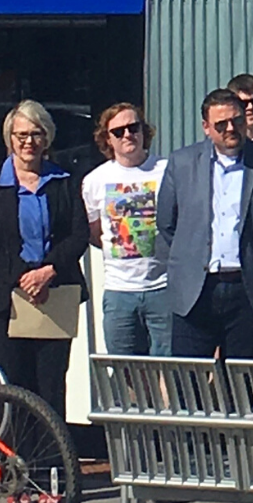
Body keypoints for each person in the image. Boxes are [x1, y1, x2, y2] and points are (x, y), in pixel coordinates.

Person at [157, 89, 253, 358]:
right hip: (196, 290)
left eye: (237, 121)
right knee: (188, 387)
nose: (231, 129)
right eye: (221, 124)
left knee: (243, 387)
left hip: (249, 290)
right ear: (206, 127)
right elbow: (167, 223)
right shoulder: (182, 163)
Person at [0, 100, 89, 416]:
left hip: (56, 293)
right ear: (10, 138)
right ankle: (18, 463)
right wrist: (23, 277)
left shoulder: (64, 180)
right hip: (8, 299)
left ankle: (52, 463)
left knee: (52, 386)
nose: (28, 142)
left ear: (47, 137)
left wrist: (48, 270)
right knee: (16, 388)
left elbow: (78, 235)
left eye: (36, 134)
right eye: (21, 134)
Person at [82, 103, 171, 355]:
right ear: (107, 139)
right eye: (118, 132)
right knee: (125, 371)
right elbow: (93, 231)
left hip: (163, 288)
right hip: (119, 291)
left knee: (171, 369)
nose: (127, 135)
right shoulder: (94, 180)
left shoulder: (167, 170)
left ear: (144, 131)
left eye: (133, 127)